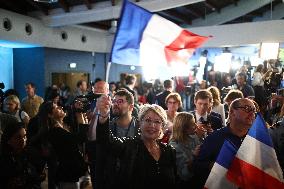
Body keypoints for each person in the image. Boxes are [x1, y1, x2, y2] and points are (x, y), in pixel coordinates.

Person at [96, 98, 177, 189]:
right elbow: (106, 141)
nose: (152, 125)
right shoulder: (129, 146)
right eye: (148, 120)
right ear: (140, 123)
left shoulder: (169, 151)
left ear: (162, 127)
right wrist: (103, 117)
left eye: (157, 122)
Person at [193, 98, 256, 189]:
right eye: (247, 108)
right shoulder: (214, 138)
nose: (251, 114)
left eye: (254, 111)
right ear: (232, 112)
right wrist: (213, 165)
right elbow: (197, 166)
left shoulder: (255, 140)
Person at [42, 101, 89, 189]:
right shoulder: (54, 132)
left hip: (76, 171)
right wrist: (79, 114)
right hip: (68, 174)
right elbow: (80, 138)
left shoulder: (65, 125)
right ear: (50, 115)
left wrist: (80, 113)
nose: (61, 108)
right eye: (56, 108)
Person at [0, 122, 43, 188]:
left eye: (25, 136)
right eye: (18, 137)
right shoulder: (4, 159)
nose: (23, 140)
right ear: (8, 140)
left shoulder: (30, 153)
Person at [169, 112, 201, 188]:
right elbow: (184, 175)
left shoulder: (193, 137)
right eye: (193, 124)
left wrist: (204, 136)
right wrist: (194, 156)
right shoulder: (174, 146)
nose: (196, 126)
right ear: (183, 127)